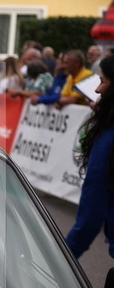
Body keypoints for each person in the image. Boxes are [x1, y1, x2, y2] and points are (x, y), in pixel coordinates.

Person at [65, 55, 114, 259]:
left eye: (103, 81)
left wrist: (61, 261)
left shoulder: (109, 138)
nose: (97, 90)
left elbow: (90, 216)